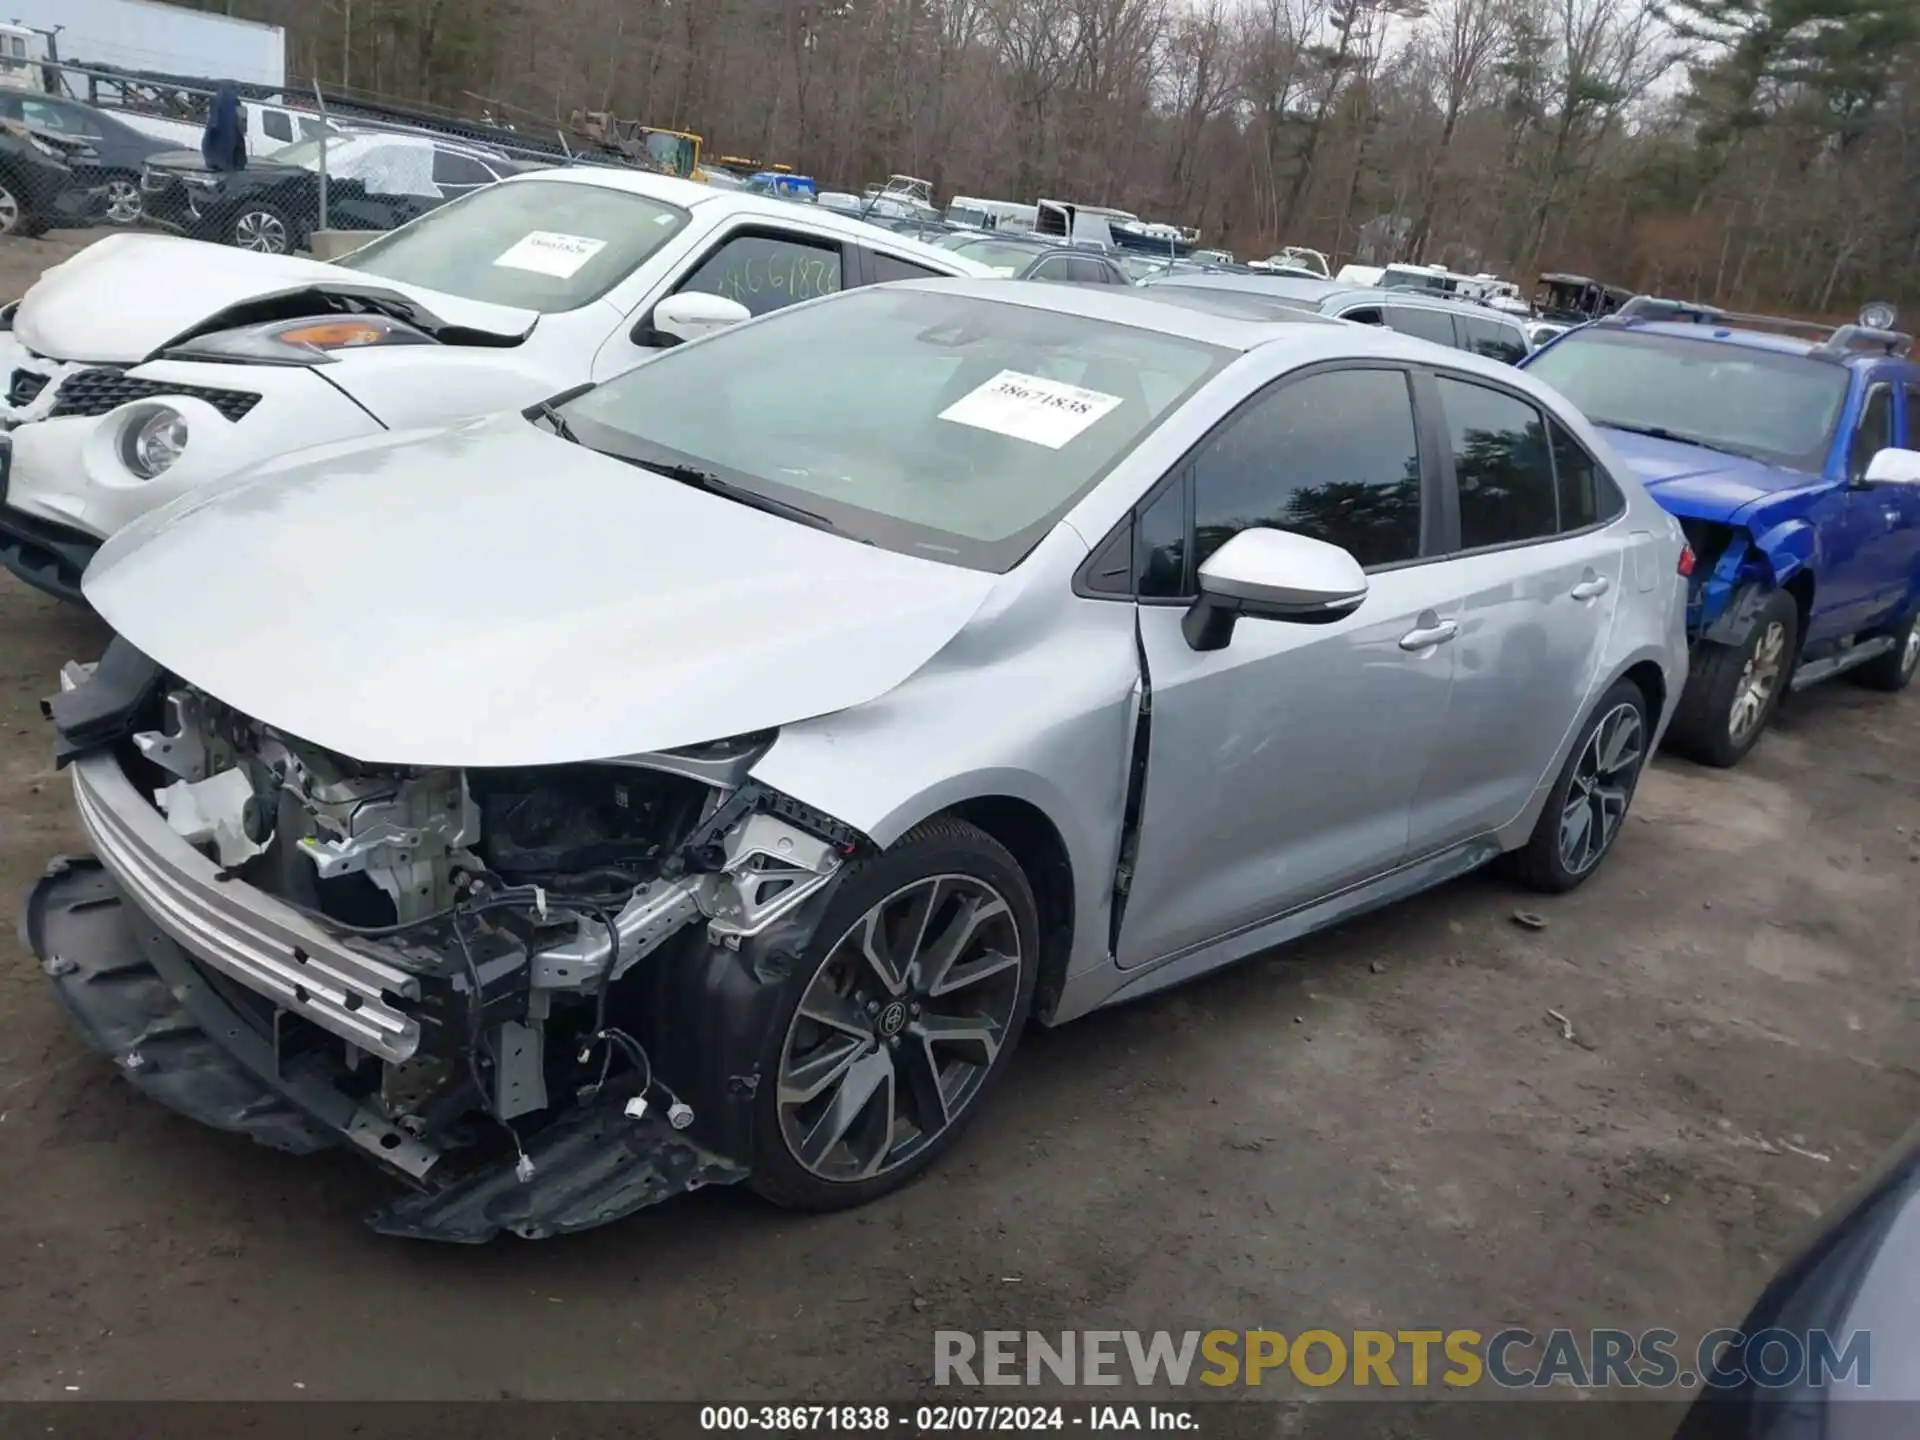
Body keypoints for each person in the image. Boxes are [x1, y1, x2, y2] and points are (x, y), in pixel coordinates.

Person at [201, 84, 247, 172]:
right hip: (230, 160)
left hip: (214, 158)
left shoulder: (216, 114)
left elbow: (208, 138)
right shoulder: (232, 115)